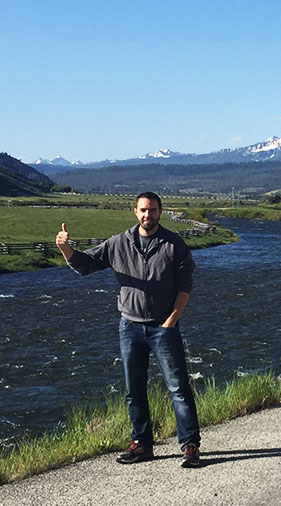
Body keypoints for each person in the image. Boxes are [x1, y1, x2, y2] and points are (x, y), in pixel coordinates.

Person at [55, 192, 201, 468]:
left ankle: (190, 445)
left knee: (178, 388)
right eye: (143, 210)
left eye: (153, 210)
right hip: (130, 326)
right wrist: (65, 248)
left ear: (160, 212)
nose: (148, 215)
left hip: (163, 326)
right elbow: (86, 265)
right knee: (134, 389)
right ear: (135, 211)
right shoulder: (118, 243)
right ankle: (141, 444)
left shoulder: (174, 245)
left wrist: (172, 320)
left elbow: (185, 286)